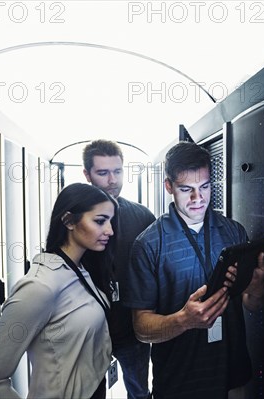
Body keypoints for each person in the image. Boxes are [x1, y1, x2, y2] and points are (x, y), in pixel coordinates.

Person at [124, 141, 264, 399]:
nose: (197, 198)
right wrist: (183, 320)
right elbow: (141, 327)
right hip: (180, 382)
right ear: (169, 186)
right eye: (186, 189)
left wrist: (257, 289)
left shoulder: (234, 231)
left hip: (233, 375)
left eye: (204, 187)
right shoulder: (148, 244)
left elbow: (253, 304)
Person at [0, 183, 117, 399]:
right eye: (100, 221)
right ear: (68, 221)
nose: (110, 230)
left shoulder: (81, 269)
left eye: (110, 221)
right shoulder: (40, 287)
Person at [83, 139, 156, 399]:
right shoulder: (74, 221)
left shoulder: (143, 217)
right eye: (103, 173)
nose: (112, 180)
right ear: (87, 174)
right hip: (89, 332)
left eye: (117, 171)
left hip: (132, 328)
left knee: (139, 391)